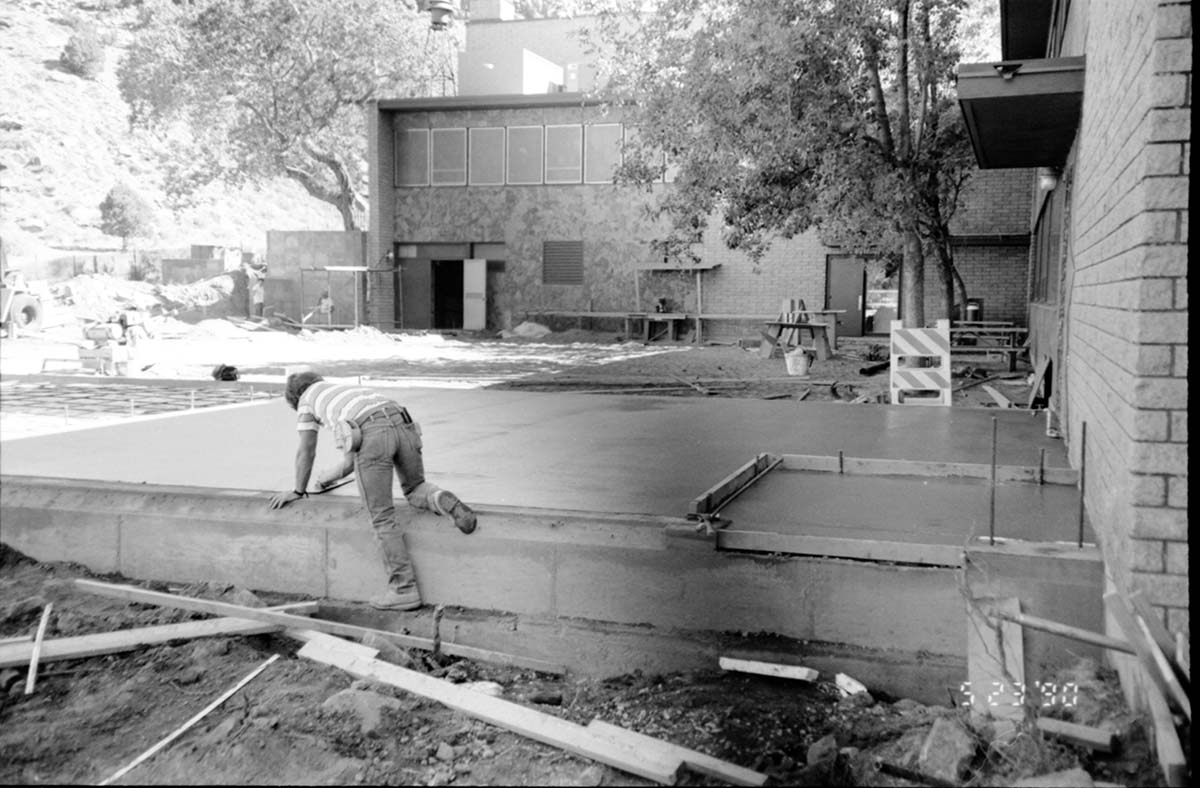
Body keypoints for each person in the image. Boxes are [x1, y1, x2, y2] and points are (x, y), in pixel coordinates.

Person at [269, 371, 477, 611]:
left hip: (372, 433)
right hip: (402, 421)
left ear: (294, 398)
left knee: (382, 516)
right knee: (415, 488)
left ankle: (404, 589)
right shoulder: (343, 392)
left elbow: (307, 450)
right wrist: (326, 479)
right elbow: (348, 463)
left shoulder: (307, 402)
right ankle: (442, 499)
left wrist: (297, 490)